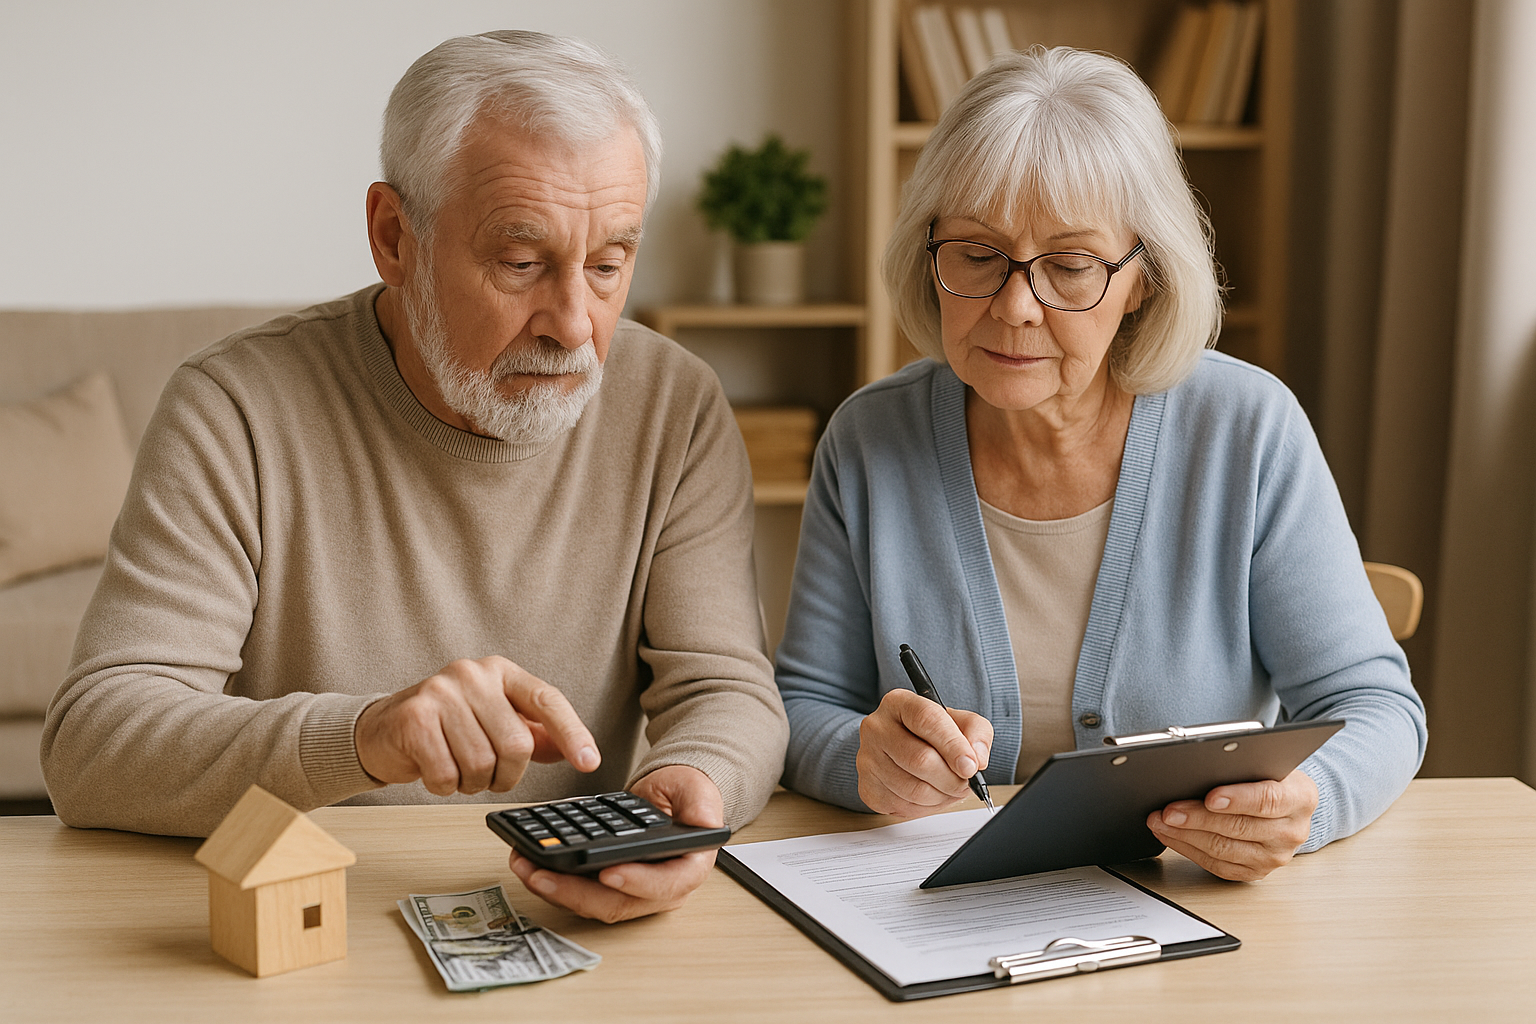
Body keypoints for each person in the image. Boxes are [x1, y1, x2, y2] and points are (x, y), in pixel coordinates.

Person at [41, 30, 788, 922]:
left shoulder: (676, 405)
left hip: (558, 913)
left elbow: (727, 691)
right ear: (394, 237)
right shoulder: (232, 406)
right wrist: (363, 738)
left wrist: (680, 795)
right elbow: (95, 742)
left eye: (607, 264)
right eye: (521, 262)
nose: (576, 326)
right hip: (298, 906)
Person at [774, 47, 1426, 882]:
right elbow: (798, 708)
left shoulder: (1246, 429)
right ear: (927, 255)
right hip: (935, 909)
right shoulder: (868, 441)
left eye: (1070, 266)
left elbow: (1376, 707)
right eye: (975, 255)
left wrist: (1309, 801)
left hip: (1198, 909)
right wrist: (859, 757)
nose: (1015, 307)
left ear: (1142, 279)